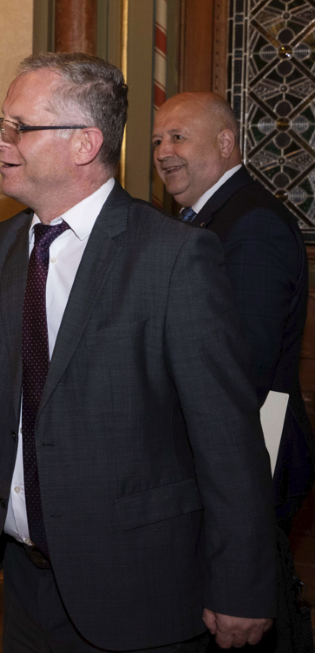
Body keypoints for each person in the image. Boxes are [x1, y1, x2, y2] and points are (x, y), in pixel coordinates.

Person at [0, 53, 276, 652]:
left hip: (138, 586)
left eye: (18, 126)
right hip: (25, 583)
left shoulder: (174, 257)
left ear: (85, 143)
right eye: (0, 123)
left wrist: (242, 581)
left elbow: (226, 433)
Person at [154, 93, 315, 652]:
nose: (163, 151)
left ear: (226, 143)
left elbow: (241, 369)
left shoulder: (251, 225)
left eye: (178, 136)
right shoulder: (198, 221)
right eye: (157, 140)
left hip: (248, 459)